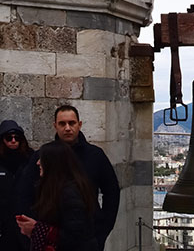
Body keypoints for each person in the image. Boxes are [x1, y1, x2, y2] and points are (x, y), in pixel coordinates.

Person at [17, 106, 120, 251]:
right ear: (55, 126)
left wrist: (102, 232)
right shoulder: (41, 156)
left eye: (71, 123)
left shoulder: (95, 156)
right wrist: (33, 234)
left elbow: (112, 192)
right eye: (62, 123)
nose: (67, 128)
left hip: (85, 236)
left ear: (79, 124)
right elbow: (25, 194)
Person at [16, 141, 98, 251]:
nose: (38, 163)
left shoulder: (70, 194)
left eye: (42, 159)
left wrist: (36, 229)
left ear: (52, 162)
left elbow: (75, 237)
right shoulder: (56, 189)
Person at [0, 119, 33, 249]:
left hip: (24, 221)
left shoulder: (30, 159)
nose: (13, 141)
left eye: (16, 138)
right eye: (9, 138)